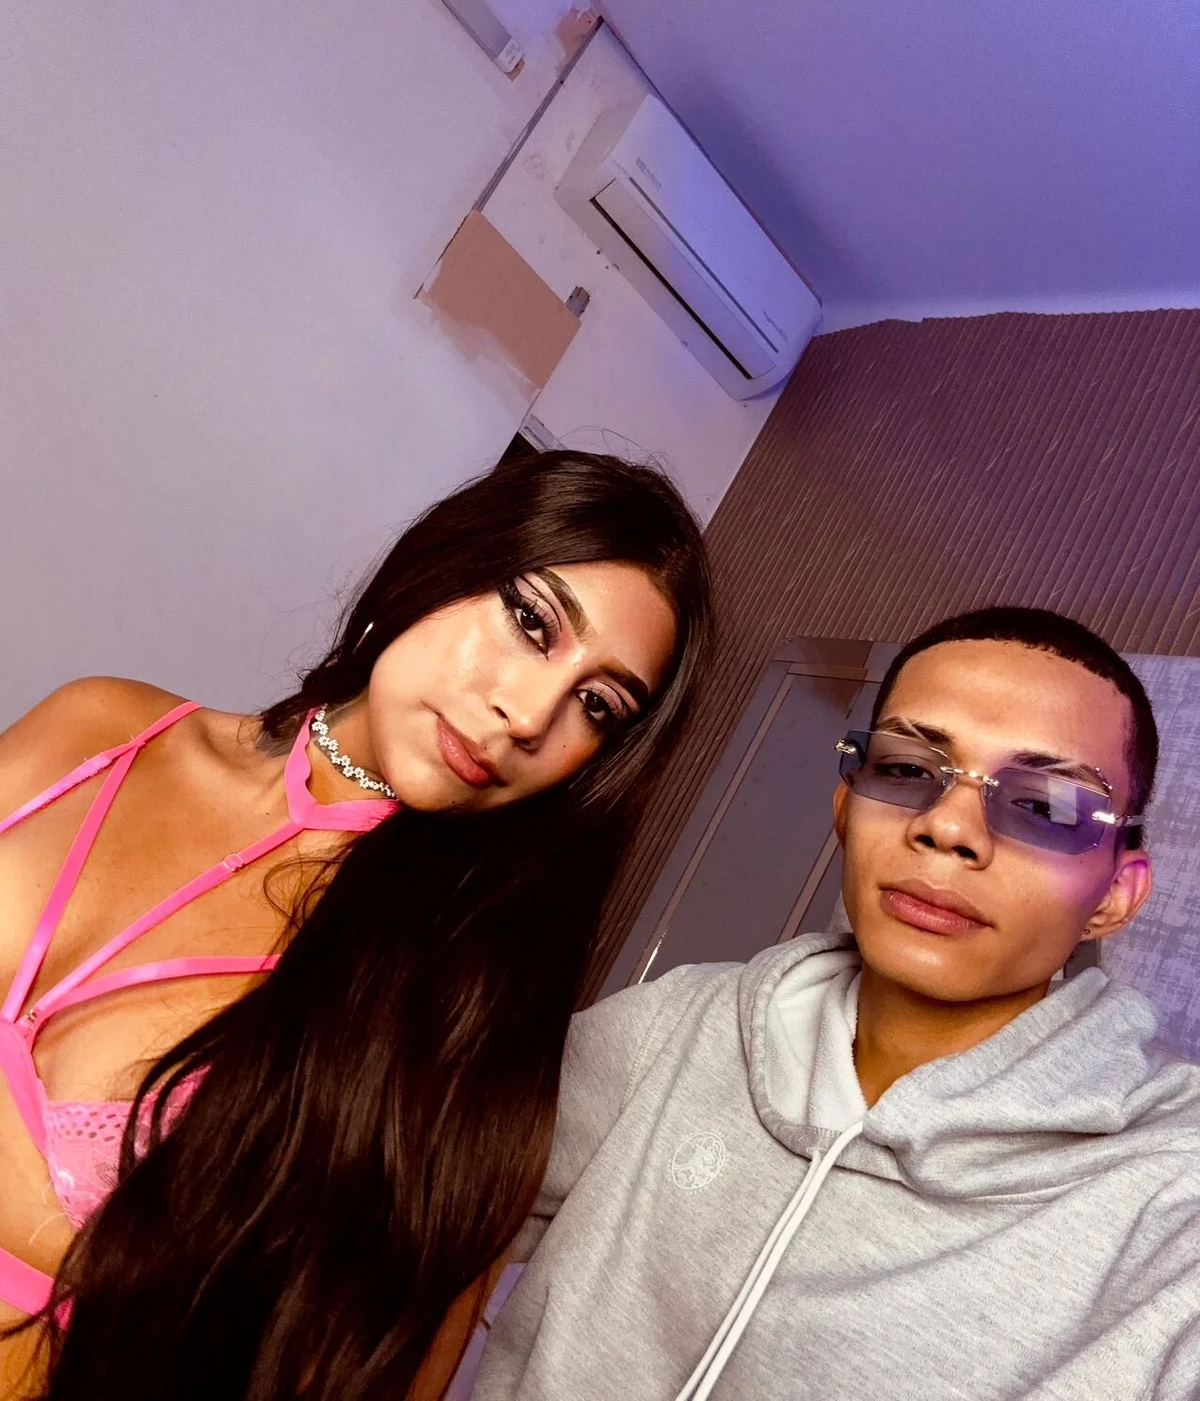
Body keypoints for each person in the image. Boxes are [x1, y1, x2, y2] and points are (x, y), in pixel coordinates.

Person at [0, 449, 714, 1401]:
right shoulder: (102, 728)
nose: (529, 713)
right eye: (531, 621)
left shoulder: (452, 1044)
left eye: (597, 704)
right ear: (453, 557)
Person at [472, 606, 1200, 1401]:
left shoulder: (1171, 1199)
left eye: (1048, 805)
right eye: (908, 768)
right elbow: (426, 1214)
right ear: (846, 809)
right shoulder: (676, 1028)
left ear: (1116, 895)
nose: (948, 826)